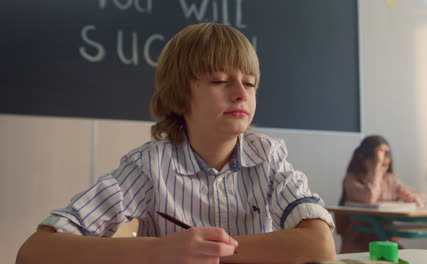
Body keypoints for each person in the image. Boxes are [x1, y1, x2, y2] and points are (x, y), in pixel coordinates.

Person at [16, 22, 336, 264]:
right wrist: (161, 250)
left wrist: (203, 253)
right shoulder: (149, 166)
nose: (241, 92)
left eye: (250, 83)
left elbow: (320, 244)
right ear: (180, 97)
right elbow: (35, 251)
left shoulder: (269, 157)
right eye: (219, 81)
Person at [337, 135, 427, 253]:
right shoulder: (351, 179)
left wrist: (412, 197)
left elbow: (423, 197)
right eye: (376, 163)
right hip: (359, 242)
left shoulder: (390, 179)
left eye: (385, 165)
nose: (381, 169)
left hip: (386, 239)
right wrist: (376, 169)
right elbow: (369, 198)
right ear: (361, 158)